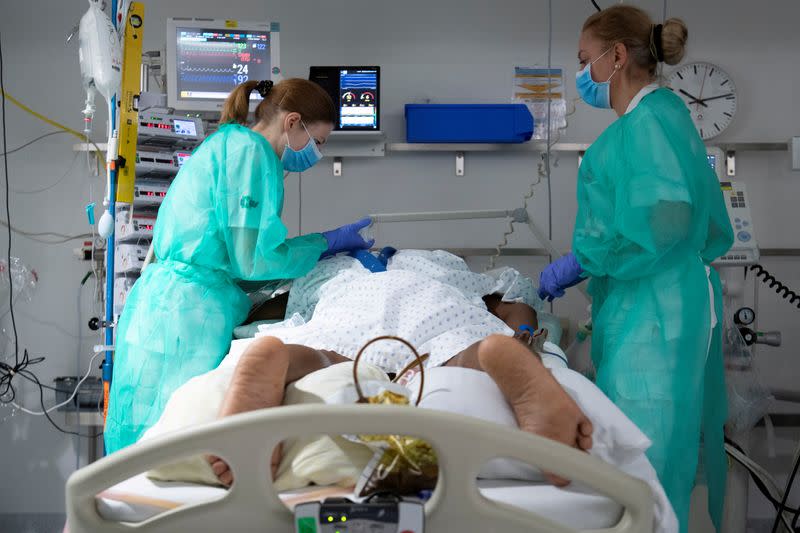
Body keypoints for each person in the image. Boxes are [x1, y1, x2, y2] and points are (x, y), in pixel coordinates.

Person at [536, 6, 733, 531]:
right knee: (651, 456)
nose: (582, 74)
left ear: (616, 56)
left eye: (584, 61)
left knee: (647, 461)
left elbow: (665, 221)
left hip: (657, 315)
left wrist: (586, 258)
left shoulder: (648, 123)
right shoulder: (658, 119)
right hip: (656, 303)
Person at [104, 79, 373, 453]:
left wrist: (318, 251)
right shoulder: (252, 154)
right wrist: (325, 243)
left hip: (169, 306)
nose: (317, 154)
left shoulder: (230, 142)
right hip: (186, 316)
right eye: (320, 142)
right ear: (293, 122)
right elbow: (253, 260)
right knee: (172, 441)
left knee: (143, 441)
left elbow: (235, 257)